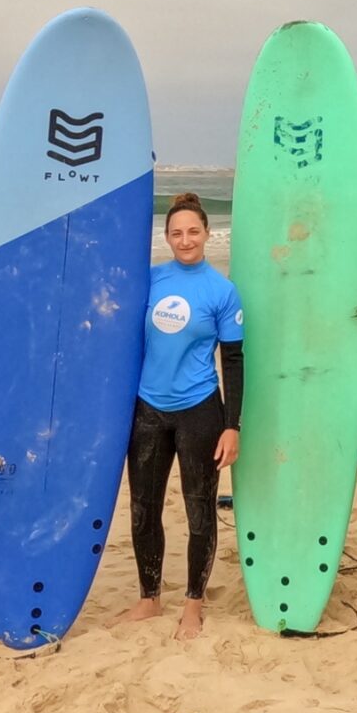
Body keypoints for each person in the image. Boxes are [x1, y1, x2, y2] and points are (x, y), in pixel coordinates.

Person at [122, 192, 243, 640]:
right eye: (176, 232)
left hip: (199, 411)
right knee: (143, 508)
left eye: (193, 231)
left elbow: (233, 361)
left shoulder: (222, 291)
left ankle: (193, 603)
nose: (185, 239)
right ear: (166, 237)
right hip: (148, 409)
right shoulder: (149, 281)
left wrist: (232, 425)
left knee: (199, 510)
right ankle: (149, 597)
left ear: (208, 234)